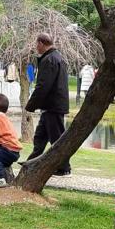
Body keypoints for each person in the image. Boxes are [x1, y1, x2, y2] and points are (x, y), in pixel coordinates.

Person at [23, 33, 71, 176]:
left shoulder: (49, 60)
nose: (35, 47)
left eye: (36, 44)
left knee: (56, 138)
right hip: (51, 106)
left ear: (42, 43)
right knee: (40, 137)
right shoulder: (56, 57)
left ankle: (64, 168)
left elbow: (43, 86)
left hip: (53, 106)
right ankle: (32, 163)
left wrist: (30, 105)